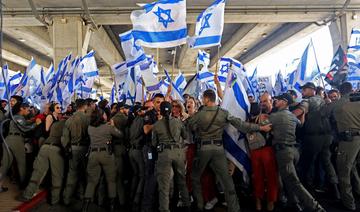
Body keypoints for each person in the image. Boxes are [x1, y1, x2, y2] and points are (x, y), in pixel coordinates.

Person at [187, 89, 271, 212]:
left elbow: (189, 128)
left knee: (195, 177)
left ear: (205, 99)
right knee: (226, 180)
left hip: (203, 149)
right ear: (214, 98)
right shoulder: (223, 113)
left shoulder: (199, 114)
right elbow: (242, 125)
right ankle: (234, 208)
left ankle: (199, 205)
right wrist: (261, 127)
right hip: (218, 149)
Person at [269, 93, 325, 212]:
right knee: (289, 179)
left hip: (284, 152)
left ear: (284, 102)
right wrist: (303, 115)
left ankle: (316, 207)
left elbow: (259, 126)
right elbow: (301, 124)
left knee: (294, 182)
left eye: (277, 100)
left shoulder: (275, 116)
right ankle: (294, 203)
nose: (275, 102)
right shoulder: (292, 116)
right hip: (294, 151)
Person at [293, 82, 339, 197]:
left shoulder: (307, 101)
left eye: (304, 90)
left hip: (313, 137)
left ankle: (309, 192)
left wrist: (283, 116)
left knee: (308, 163)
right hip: (328, 137)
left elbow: (297, 113)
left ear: (310, 90)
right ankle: (336, 190)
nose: (302, 92)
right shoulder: (325, 101)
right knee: (327, 162)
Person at [18, 113, 66, 205]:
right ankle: (54, 200)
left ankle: (27, 195)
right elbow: (65, 139)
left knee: (37, 173)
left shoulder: (55, 124)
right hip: (56, 149)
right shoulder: (68, 124)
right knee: (57, 176)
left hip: (44, 147)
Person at [81, 108, 123, 212]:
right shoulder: (108, 127)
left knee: (91, 181)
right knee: (111, 181)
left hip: (93, 155)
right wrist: (113, 126)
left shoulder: (90, 127)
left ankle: (85, 207)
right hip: (106, 155)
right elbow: (120, 135)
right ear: (102, 116)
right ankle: (112, 206)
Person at [152, 101, 190, 212]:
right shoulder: (178, 122)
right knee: (182, 181)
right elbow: (185, 135)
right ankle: (187, 205)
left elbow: (154, 143)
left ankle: (164, 209)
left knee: (164, 185)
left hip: (164, 154)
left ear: (161, 111)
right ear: (171, 110)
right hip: (178, 153)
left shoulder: (156, 125)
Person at [0, 103, 40, 192]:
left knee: (5, 164)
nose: (29, 111)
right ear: (22, 108)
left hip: (8, 140)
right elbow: (24, 128)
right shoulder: (18, 117)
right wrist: (35, 124)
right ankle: (23, 186)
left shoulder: (17, 117)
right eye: (28, 109)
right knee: (21, 163)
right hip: (16, 140)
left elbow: (23, 124)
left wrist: (31, 121)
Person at [333, 82, 360, 211]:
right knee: (353, 167)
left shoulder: (340, 103)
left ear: (340, 91)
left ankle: (348, 204)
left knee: (343, 171)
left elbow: (323, 113)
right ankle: (358, 192)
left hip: (348, 140)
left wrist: (329, 101)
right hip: (358, 139)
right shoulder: (358, 100)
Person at [250, 93, 279, 211]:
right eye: (261, 101)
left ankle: (271, 201)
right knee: (257, 176)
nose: (262, 104)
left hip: (269, 149)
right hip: (256, 149)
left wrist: (268, 118)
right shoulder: (255, 113)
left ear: (271, 101)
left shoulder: (276, 113)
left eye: (265, 101)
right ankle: (258, 199)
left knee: (271, 176)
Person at [61, 99, 90, 205]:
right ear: (85, 106)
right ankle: (81, 195)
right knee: (84, 173)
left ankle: (66, 198)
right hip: (85, 149)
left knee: (72, 174)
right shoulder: (88, 119)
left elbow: (64, 138)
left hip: (73, 148)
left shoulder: (69, 119)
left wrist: (67, 148)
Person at [142, 93, 165, 212]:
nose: (159, 105)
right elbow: (146, 130)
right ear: (153, 103)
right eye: (157, 102)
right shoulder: (149, 114)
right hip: (150, 148)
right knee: (150, 176)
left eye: (161, 102)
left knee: (160, 178)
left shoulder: (166, 114)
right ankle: (147, 207)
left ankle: (157, 203)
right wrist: (158, 123)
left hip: (162, 149)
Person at [128, 104, 146, 211]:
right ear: (139, 111)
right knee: (142, 175)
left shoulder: (133, 121)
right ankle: (136, 199)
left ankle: (131, 195)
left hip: (131, 150)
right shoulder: (142, 121)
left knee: (135, 174)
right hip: (138, 150)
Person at [111, 103, 129, 207]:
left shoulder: (113, 118)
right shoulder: (125, 119)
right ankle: (121, 200)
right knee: (120, 175)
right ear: (122, 109)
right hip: (122, 147)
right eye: (126, 108)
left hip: (114, 147)